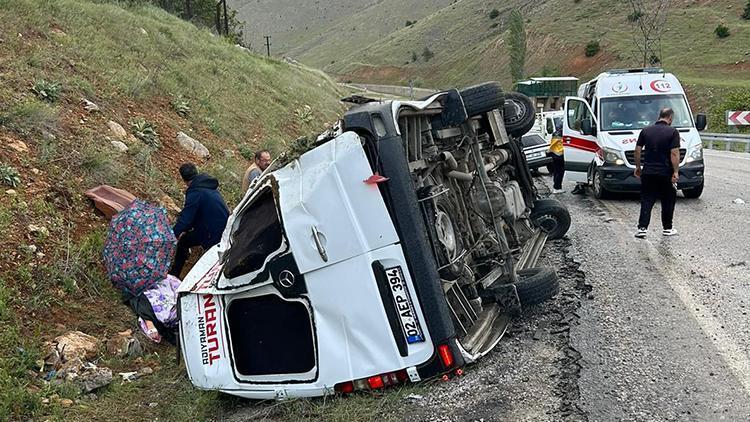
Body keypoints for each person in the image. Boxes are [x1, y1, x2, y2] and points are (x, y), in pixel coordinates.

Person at [169, 163, 230, 277]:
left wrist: (172, 235)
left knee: (184, 242)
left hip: (212, 232)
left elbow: (186, 219)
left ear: (183, 179)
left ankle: (175, 274)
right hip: (225, 225)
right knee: (186, 239)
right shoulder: (207, 185)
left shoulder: (195, 192)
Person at [634, 108, 680, 238]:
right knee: (668, 199)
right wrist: (676, 171)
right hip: (665, 172)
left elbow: (637, 150)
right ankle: (667, 228)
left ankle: (642, 228)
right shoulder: (673, 132)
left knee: (647, 199)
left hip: (648, 171)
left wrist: (638, 167)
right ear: (670, 118)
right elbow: (674, 153)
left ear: (659, 116)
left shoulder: (646, 130)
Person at [548, 121, 565, 194]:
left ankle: (556, 187)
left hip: (554, 154)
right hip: (560, 155)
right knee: (560, 172)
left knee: (556, 171)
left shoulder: (554, 133)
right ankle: (557, 188)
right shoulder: (562, 134)